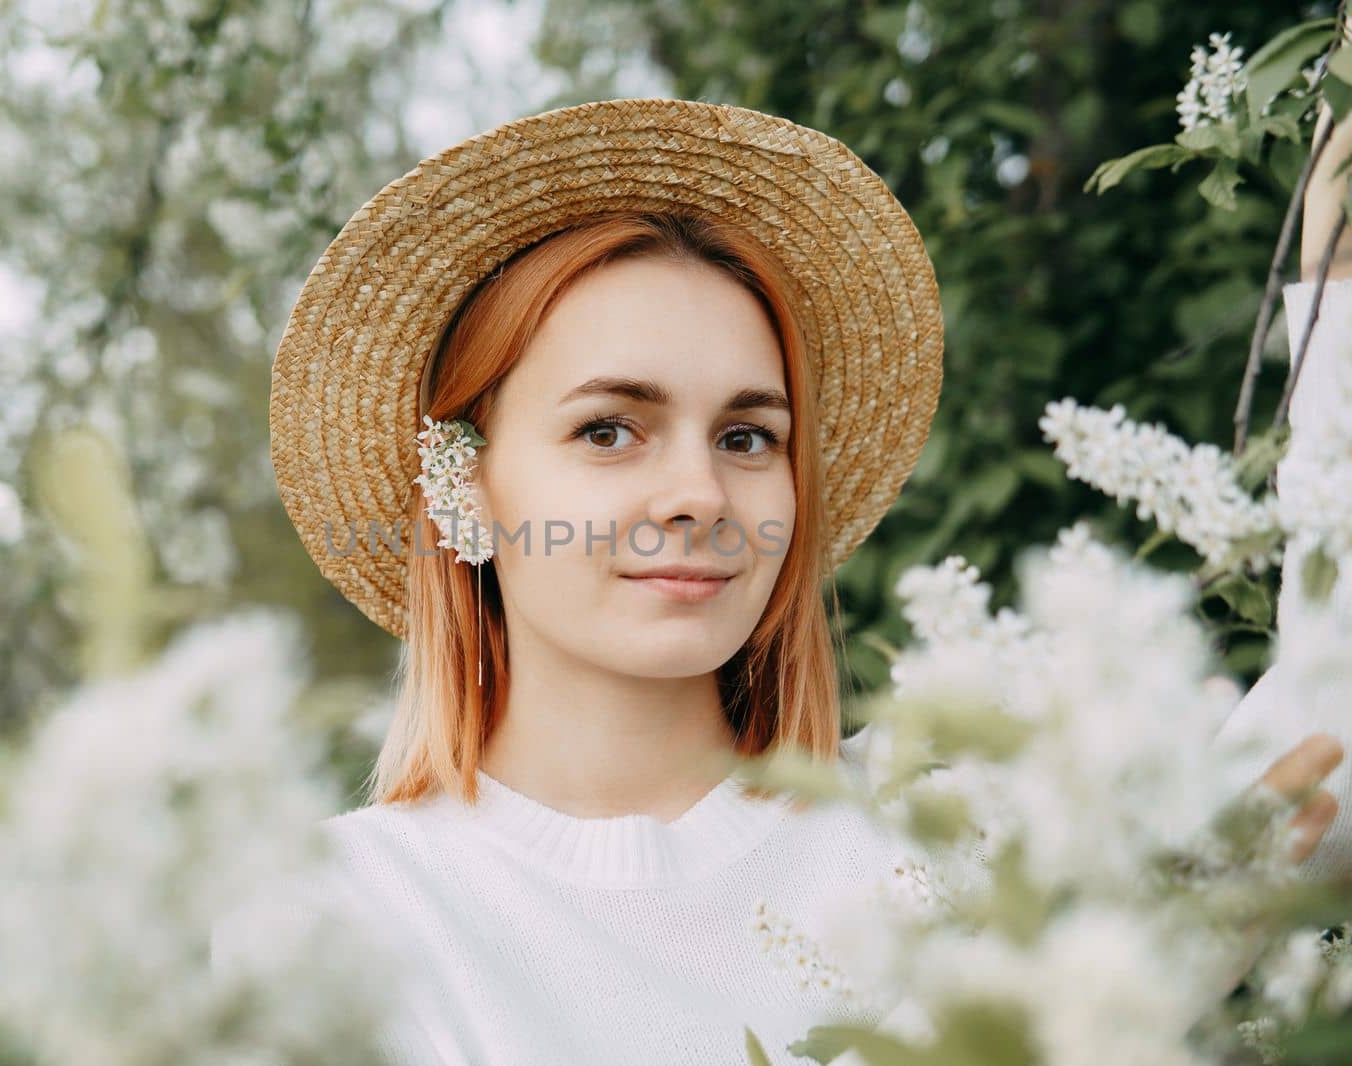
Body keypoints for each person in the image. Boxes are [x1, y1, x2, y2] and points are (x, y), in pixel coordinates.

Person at [241, 98, 1352, 1064]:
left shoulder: (960, 829)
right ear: (463, 485)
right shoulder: (332, 919)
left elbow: (1326, 713)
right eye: (611, 428)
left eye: (746, 436)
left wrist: (1338, 312)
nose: (697, 493)